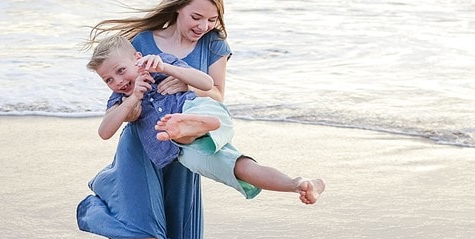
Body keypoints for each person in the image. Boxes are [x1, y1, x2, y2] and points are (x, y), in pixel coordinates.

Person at [77, 0, 316, 239]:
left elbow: (217, 93)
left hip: (185, 146)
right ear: (179, 7)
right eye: (195, 17)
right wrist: (135, 97)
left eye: (210, 19)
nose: (201, 26)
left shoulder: (214, 44)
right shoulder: (142, 43)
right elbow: (119, 97)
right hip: (142, 150)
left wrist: (180, 80)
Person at [87, 33, 325, 203]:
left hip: (200, 109)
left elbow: (207, 83)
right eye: (108, 79)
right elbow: (104, 131)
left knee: (199, 113)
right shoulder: (120, 99)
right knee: (240, 167)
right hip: (185, 152)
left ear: (138, 57)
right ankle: (299, 184)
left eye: (120, 70)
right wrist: (132, 99)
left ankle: (190, 125)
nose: (117, 81)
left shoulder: (162, 63)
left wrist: (166, 69)